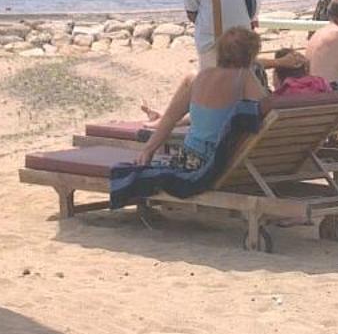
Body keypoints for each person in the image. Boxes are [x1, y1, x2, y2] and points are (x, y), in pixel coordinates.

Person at [109, 25, 270, 207]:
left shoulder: (199, 77)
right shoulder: (244, 77)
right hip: (215, 162)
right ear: (250, 55)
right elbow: (267, 108)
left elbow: (170, 118)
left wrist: (148, 150)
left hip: (188, 159)